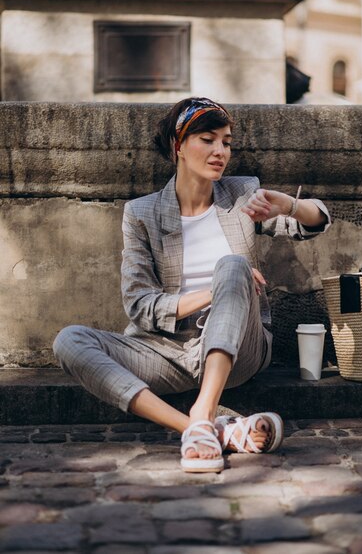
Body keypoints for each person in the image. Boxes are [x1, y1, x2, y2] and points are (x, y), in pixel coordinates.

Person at [53, 97, 330, 474]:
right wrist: (211, 293)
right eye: (207, 139)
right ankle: (205, 430)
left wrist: (288, 205)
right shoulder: (142, 214)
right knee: (69, 340)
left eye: (227, 142)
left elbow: (314, 223)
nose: (220, 151)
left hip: (238, 351)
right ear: (178, 145)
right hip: (166, 351)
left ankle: (203, 408)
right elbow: (139, 306)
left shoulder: (241, 196)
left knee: (233, 266)